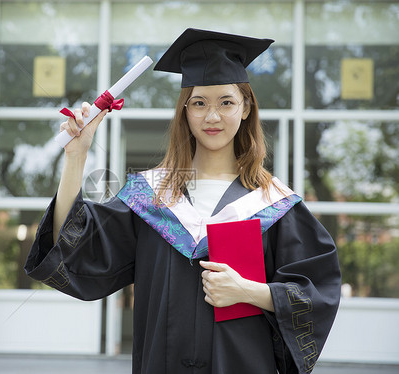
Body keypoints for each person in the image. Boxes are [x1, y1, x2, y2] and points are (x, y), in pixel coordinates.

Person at [25, 28, 341, 374]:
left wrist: (249, 291)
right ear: (185, 111)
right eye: (199, 103)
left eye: (226, 102)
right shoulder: (150, 198)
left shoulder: (274, 204)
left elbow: (315, 295)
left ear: (246, 107)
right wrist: (76, 157)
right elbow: (72, 247)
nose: (212, 116)